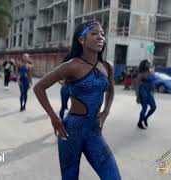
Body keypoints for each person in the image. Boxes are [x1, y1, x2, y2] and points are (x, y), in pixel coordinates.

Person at [33, 21, 121, 180]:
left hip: (94, 131)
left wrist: (105, 112)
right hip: (71, 131)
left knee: (113, 177)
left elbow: (111, 90)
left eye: (102, 33)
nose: (100, 37)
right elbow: (39, 87)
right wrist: (54, 117)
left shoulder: (107, 66)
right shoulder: (71, 66)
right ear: (81, 40)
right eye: (94, 33)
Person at [134, 59, 157, 129]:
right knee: (144, 107)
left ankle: (145, 118)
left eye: (150, 63)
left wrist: (153, 90)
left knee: (153, 107)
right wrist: (137, 96)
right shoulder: (141, 73)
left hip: (149, 91)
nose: (150, 64)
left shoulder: (151, 72)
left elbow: (153, 82)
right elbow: (137, 86)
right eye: (148, 63)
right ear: (145, 64)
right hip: (142, 91)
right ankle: (139, 122)